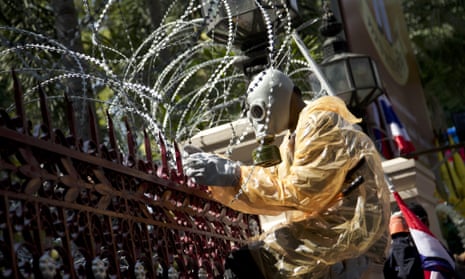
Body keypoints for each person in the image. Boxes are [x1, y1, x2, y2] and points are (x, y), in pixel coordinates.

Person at [184, 68, 390, 278]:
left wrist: (234, 174)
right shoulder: (296, 136)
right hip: (339, 232)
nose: (257, 118)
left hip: (347, 235)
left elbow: (301, 190)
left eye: (258, 109)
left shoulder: (318, 123)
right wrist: (224, 170)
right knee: (249, 261)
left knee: (247, 263)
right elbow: (275, 181)